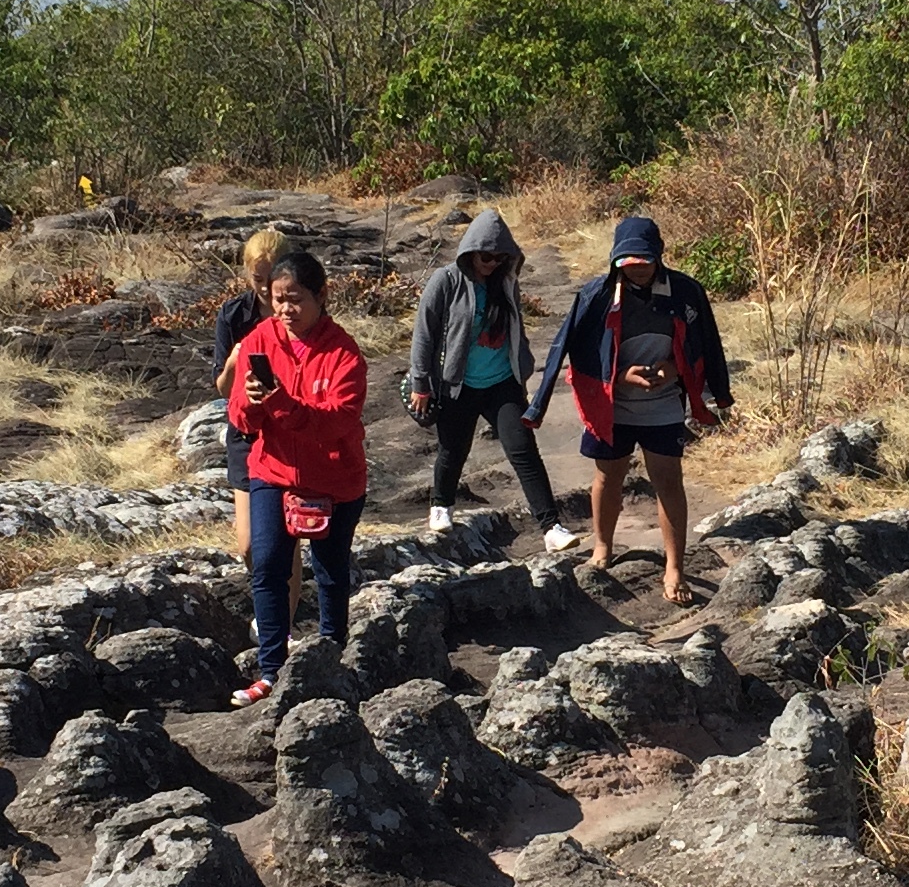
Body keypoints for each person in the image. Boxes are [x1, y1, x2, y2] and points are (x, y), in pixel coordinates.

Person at [526, 213, 730, 605]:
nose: (636, 270)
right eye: (627, 263)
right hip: (612, 405)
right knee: (607, 477)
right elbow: (570, 352)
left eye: (644, 262)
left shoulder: (685, 291)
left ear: (658, 257)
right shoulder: (595, 295)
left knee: (668, 480)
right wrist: (619, 378)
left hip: (663, 402)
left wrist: (681, 372)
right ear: (615, 261)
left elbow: (706, 343)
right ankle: (602, 547)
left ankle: (674, 567)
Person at [224, 249, 367, 703]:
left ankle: (331, 655)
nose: (285, 309)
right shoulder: (259, 340)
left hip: (334, 478)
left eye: (296, 299)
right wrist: (250, 399)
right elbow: (242, 422)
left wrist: (280, 403)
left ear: (321, 296)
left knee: (329, 571)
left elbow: (336, 422)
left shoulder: (344, 353)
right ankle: (270, 671)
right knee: (266, 565)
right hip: (272, 469)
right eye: (277, 298)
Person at [407, 208, 575, 554]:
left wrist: (523, 366)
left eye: (500, 257)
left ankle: (551, 526)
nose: (492, 263)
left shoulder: (506, 282)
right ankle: (441, 504)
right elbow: (424, 333)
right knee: (453, 450)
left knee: (524, 451)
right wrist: (420, 382)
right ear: (470, 251)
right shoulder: (446, 280)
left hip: (502, 383)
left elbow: (516, 329)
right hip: (458, 383)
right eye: (486, 256)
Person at [211, 227, 291, 561]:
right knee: (249, 546)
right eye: (257, 277)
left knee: (284, 541)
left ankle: (279, 614)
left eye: (270, 277)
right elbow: (223, 388)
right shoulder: (232, 315)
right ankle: (271, 607)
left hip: (287, 427)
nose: (263, 286)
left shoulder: (298, 311)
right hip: (245, 431)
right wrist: (235, 360)